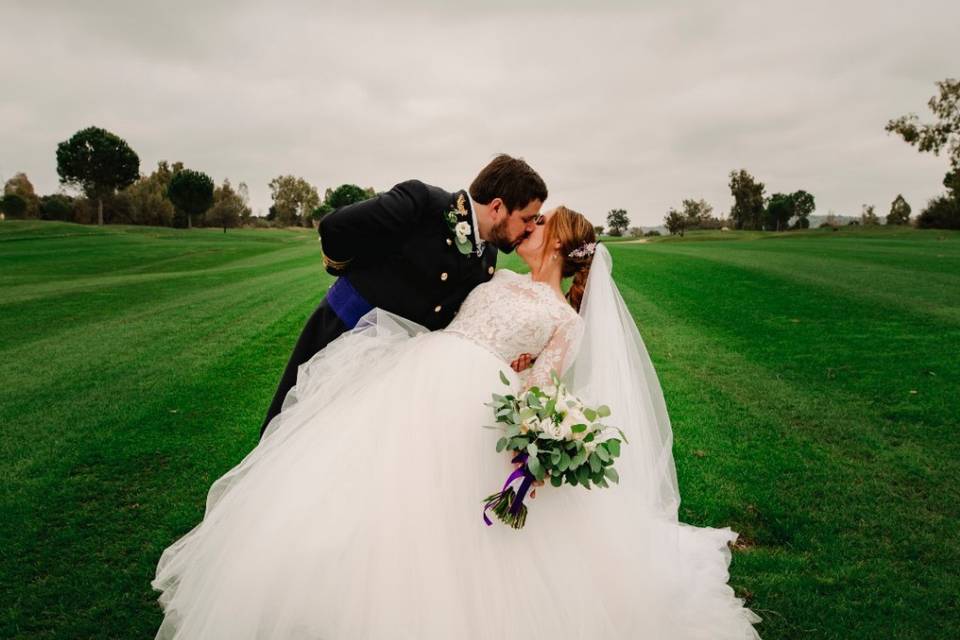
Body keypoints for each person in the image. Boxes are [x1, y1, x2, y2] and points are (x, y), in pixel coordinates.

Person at [154, 206, 762, 639]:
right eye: (530, 217)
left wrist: (539, 437)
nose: (530, 225)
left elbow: (542, 385)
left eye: (541, 224)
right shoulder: (493, 274)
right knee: (366, 488)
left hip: (474, 406)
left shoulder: (565, 320)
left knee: (438, 515)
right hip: (414, 379)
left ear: (557, 243)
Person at [259, 154, 547, 437]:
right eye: (527, 218)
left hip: (392, 374)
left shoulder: (489, 257)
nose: (532, 227)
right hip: (340, 339)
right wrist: (358, 279)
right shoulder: (421, 203)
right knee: (292, 435)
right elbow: (336, 227)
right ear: (497, 207)